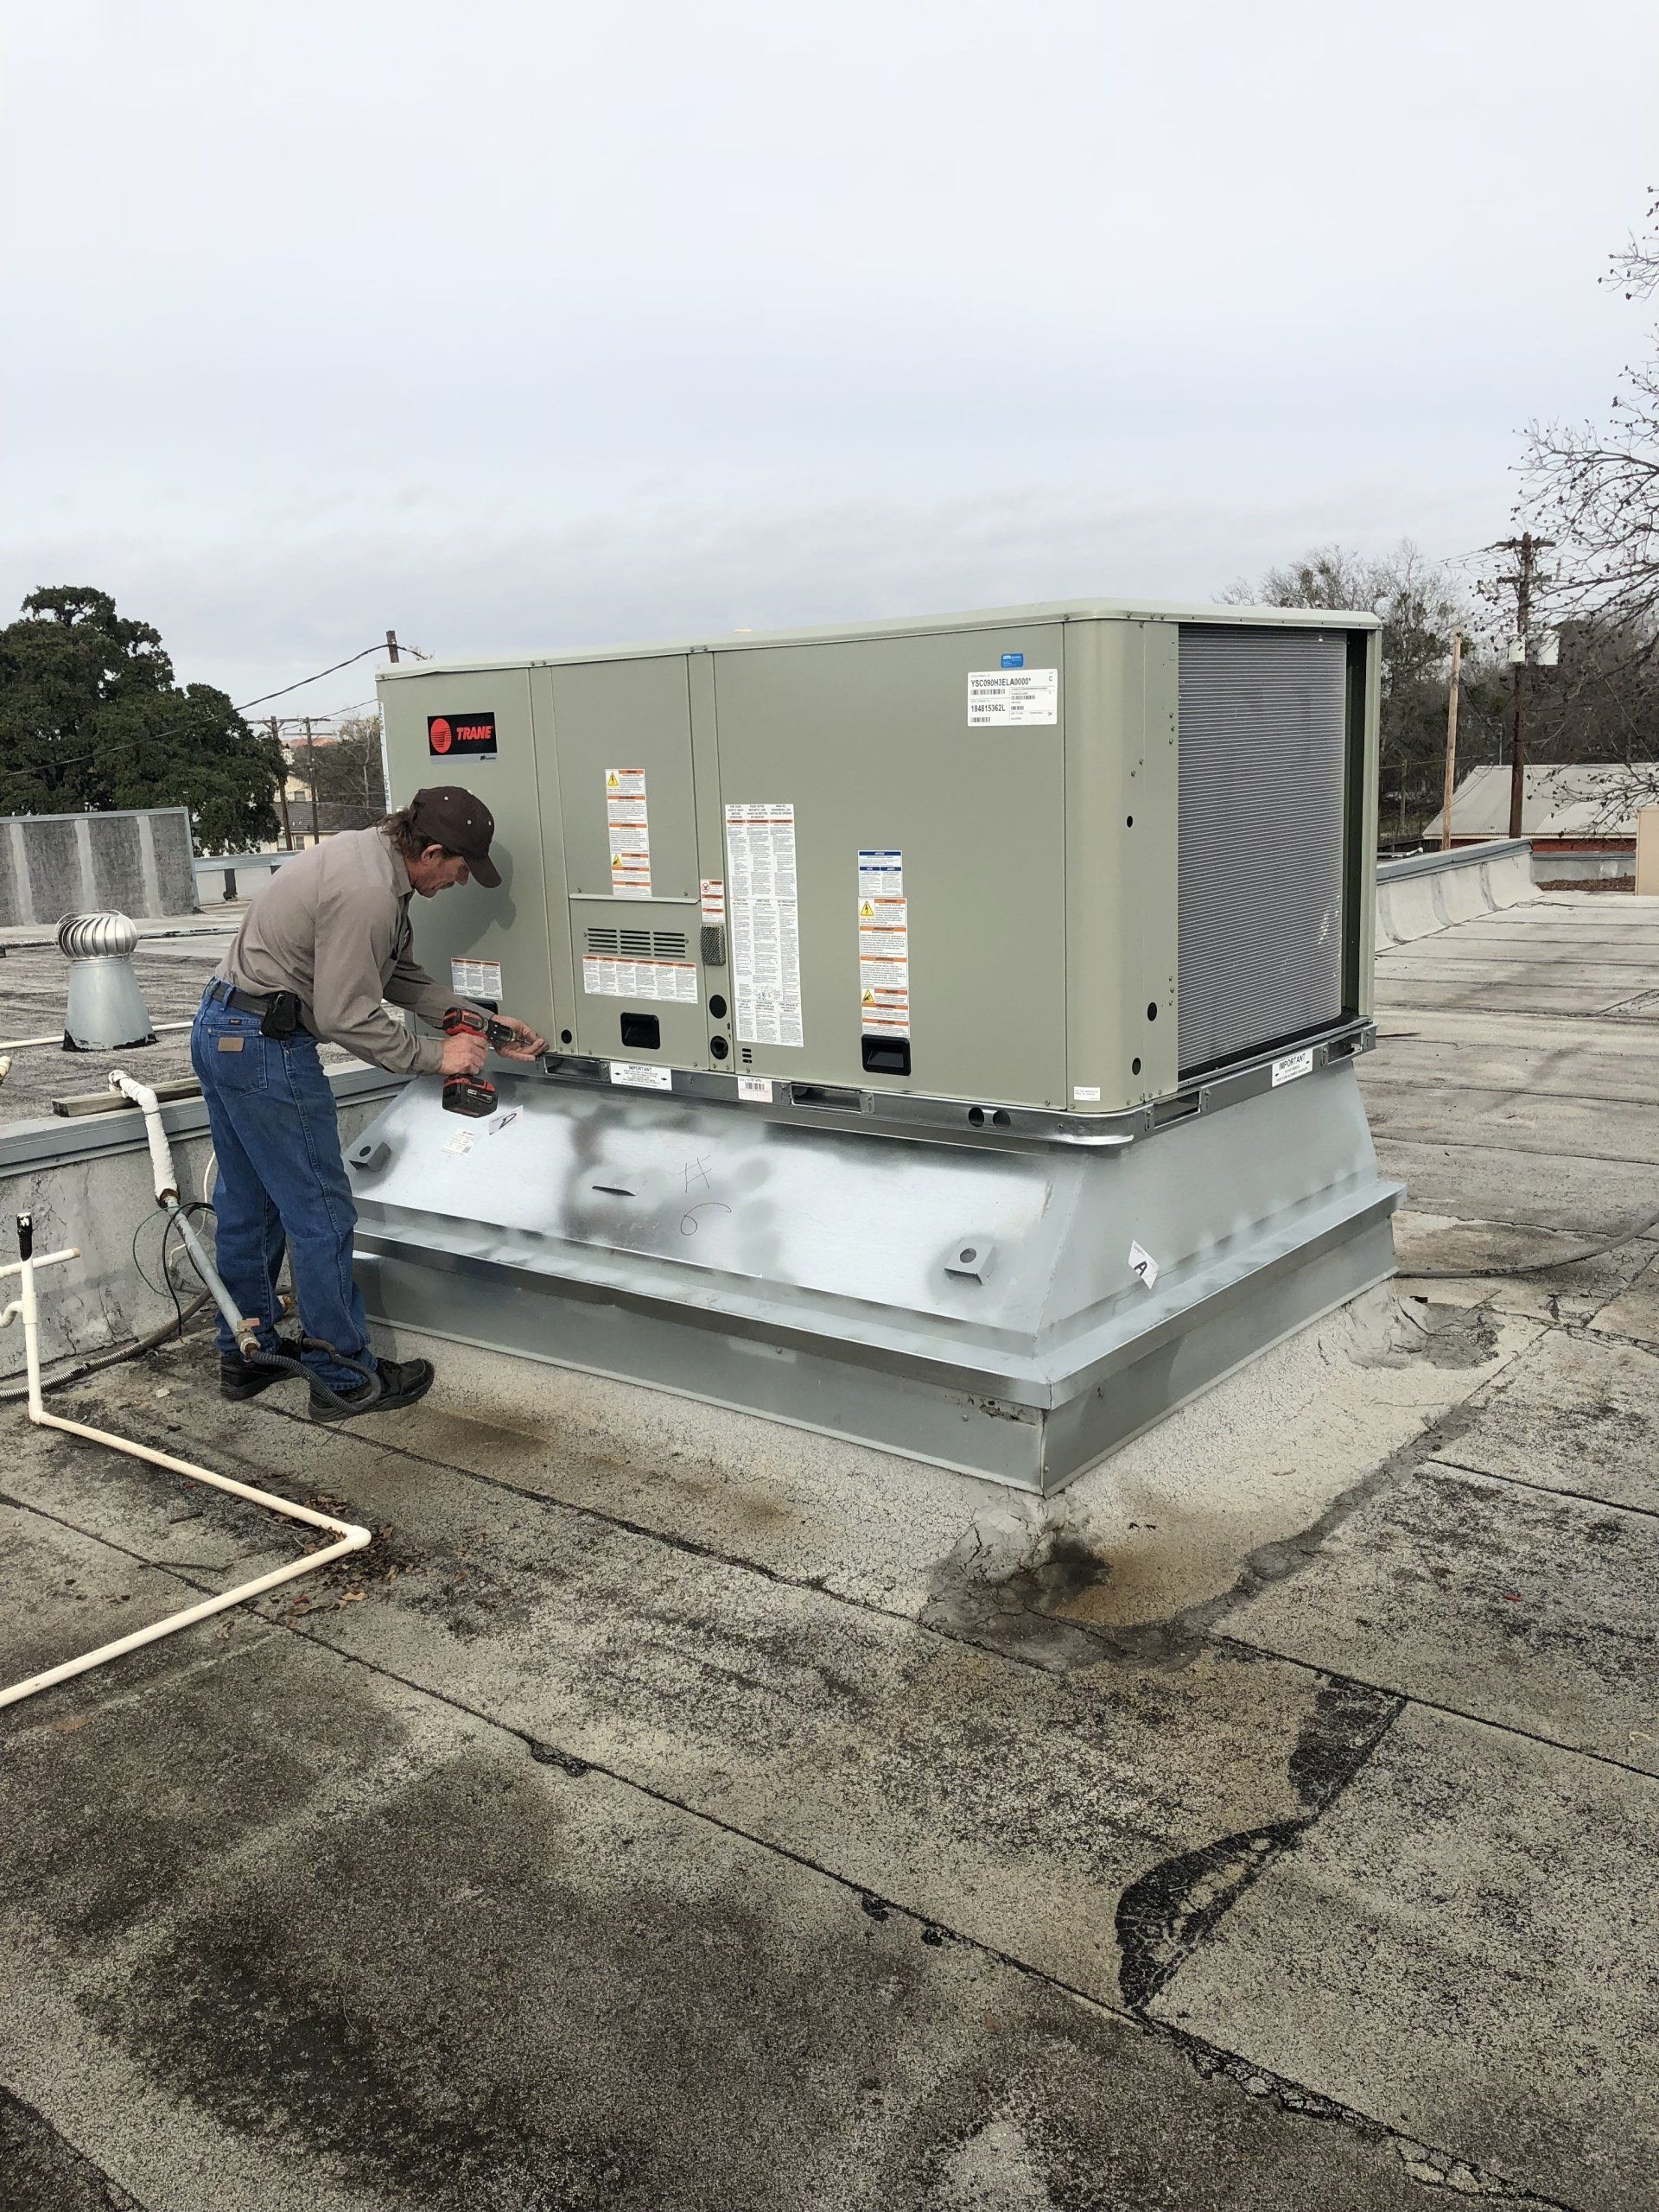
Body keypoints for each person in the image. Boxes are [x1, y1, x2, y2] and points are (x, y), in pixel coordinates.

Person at [191, 785, 545, 1421]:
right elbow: (347, 1014)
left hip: (224, 1031)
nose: (461, 881)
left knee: (249, 1205)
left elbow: (392, 974)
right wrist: (438, 1057)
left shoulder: (369, 857)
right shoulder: (370, 894)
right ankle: (342, 1375)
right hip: (267, 1048)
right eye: (460, 868)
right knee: (321, 1213)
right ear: (431, 851)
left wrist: (478, 1023)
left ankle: (245, 1354)